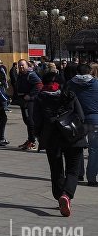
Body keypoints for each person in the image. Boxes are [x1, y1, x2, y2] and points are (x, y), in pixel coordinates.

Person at [33, 67, 87, 217]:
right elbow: (81, 116)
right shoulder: (69, 94)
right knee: (73, 169)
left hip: (52, 138)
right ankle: (67, 195)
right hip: (72, 136)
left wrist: (38, 135)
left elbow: (36, 121)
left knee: (56, 169)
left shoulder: (40, 98)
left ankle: (59, 197)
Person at [65, 62, 98, 186]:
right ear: (89, 72)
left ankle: (78, 174)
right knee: (94, 149)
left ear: (77, 72)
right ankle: (92, 178)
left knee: (78, 147)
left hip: (76, 120)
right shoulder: (96, 84)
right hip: (95, 120)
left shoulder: (70, 84)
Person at [14, 58, 42, 150]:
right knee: (27, 121)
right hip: (23, 101)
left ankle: (33, 141)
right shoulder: (21, 75)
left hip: (30, 101)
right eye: (19, 65)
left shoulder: (31, 74)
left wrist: (30, 96)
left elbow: (39, 85)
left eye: (23, 65)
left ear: (27, 65)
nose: (21, 67)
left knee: (30, 121)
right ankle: (30, 140)